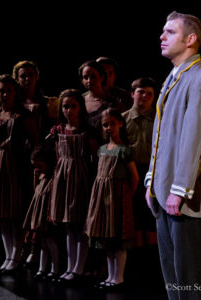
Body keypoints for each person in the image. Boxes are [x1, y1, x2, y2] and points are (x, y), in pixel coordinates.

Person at [144, 11, 201, 300]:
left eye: (170, 32)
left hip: (185, 198)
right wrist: (152, 181)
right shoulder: (173, 78)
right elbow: (163, 138)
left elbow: (196, 138)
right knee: (173, 277)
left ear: (191, 39)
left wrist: (180, 189)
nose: (162, 37)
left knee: (191, 278)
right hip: (165, 193)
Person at [0, 74, 35, 274]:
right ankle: (8, 255)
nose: (5, 94)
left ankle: (17, 255)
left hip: (16, 166)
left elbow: (35, 141)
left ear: (15, 93)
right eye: (1, 91)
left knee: (14, 214)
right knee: (1, 215)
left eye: (9, 91)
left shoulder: (22, 116)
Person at [47, 89, 99, 285]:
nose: (69, 110)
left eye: (73, 106)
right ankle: (70, 267)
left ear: (80, 107)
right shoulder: (59, 130)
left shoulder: (87, 131)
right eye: (65, 106)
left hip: (81, 177)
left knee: (80, 224)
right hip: (63, 177)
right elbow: (57, 156)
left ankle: (79, 267)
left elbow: (94, 158)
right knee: (69, 225)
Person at [85, 108, 139, 291]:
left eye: (112, 124)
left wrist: (126, 196)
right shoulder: (101, 149)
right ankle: (110, 275)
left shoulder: (124, 150)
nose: (108, 128)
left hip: (118, 198)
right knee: (107, 240)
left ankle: (119, 277)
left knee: (118, 240)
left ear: (120, 124)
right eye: (105, 125)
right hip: (103, 199)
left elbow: (135, 177)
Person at [12, 60, 59, 267]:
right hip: (18, 158)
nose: (27, 79)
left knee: (39, 206)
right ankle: (20, 250)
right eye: (22, 76)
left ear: (37, 76)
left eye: (30, 74)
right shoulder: (13, 104)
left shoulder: (48, 103)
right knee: (20, 205)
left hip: (41, 158)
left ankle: (37, 250)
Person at [122, 77, 157, 247]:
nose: (145, 96)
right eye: (141, 92)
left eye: (149, 93)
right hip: (131, 172)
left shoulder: (160, 119)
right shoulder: (123, 120)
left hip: (153, 173)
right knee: (133, 215)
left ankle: (151, 256)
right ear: (132, 94)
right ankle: (136, 260)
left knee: (151, 216)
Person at [22, 144, 60, 282]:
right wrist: (35, 177)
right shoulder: (41, 176)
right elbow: (36, 191)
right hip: (39, 214)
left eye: (39, 165)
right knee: (42, 243)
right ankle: (42, 269)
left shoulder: (53, 178)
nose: (37, 168)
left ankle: (55, 269)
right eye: (35, 166)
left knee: (50, 241)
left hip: (47, 214)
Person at [78, 59, 114, 144]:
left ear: (101, 77)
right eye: (85, 77)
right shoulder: (79, 100)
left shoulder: (112, 102)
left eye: (93, 76)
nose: (89, 80)